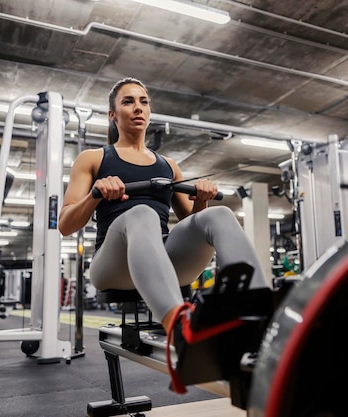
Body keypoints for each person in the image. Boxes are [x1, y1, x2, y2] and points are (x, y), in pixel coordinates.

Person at [58, 77, 270, 368]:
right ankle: (180, 329)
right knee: (141, 212)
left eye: (144, 102)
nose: (138, 108)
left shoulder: (168, 166)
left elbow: (192, 222)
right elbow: (66, 225)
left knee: (219, 215)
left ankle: (257, 320)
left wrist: (202, 199)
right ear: (112, 114)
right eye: (128, 101)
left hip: (163, 260)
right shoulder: (94, 158)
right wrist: (96, 194)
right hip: (112, 266)